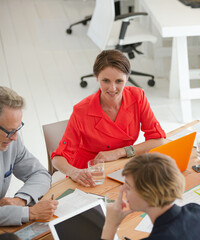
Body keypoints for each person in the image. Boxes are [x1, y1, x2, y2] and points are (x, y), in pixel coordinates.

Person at [51, 50, 166, 187]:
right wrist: (74, 172)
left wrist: (118, 153)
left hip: (122, 165)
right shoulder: (82, 110)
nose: (112, 88)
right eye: (106, 81)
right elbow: (57, 159)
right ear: (96, 77)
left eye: (119, 81)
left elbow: (158, 140)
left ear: (127, 78)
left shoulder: (137, 96)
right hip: (89, 175)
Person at [101, 153, 200, 240]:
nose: (122, 189)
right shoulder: (197, 211)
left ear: (147, 193)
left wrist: (110, 226)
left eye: (128, 187)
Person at [0, 87, 58, 226]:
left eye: (17, 129)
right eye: (9, 131)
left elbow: (41, 174)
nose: (15, 138)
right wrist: (30, 213)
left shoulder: (13, 141)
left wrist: (21, 200)